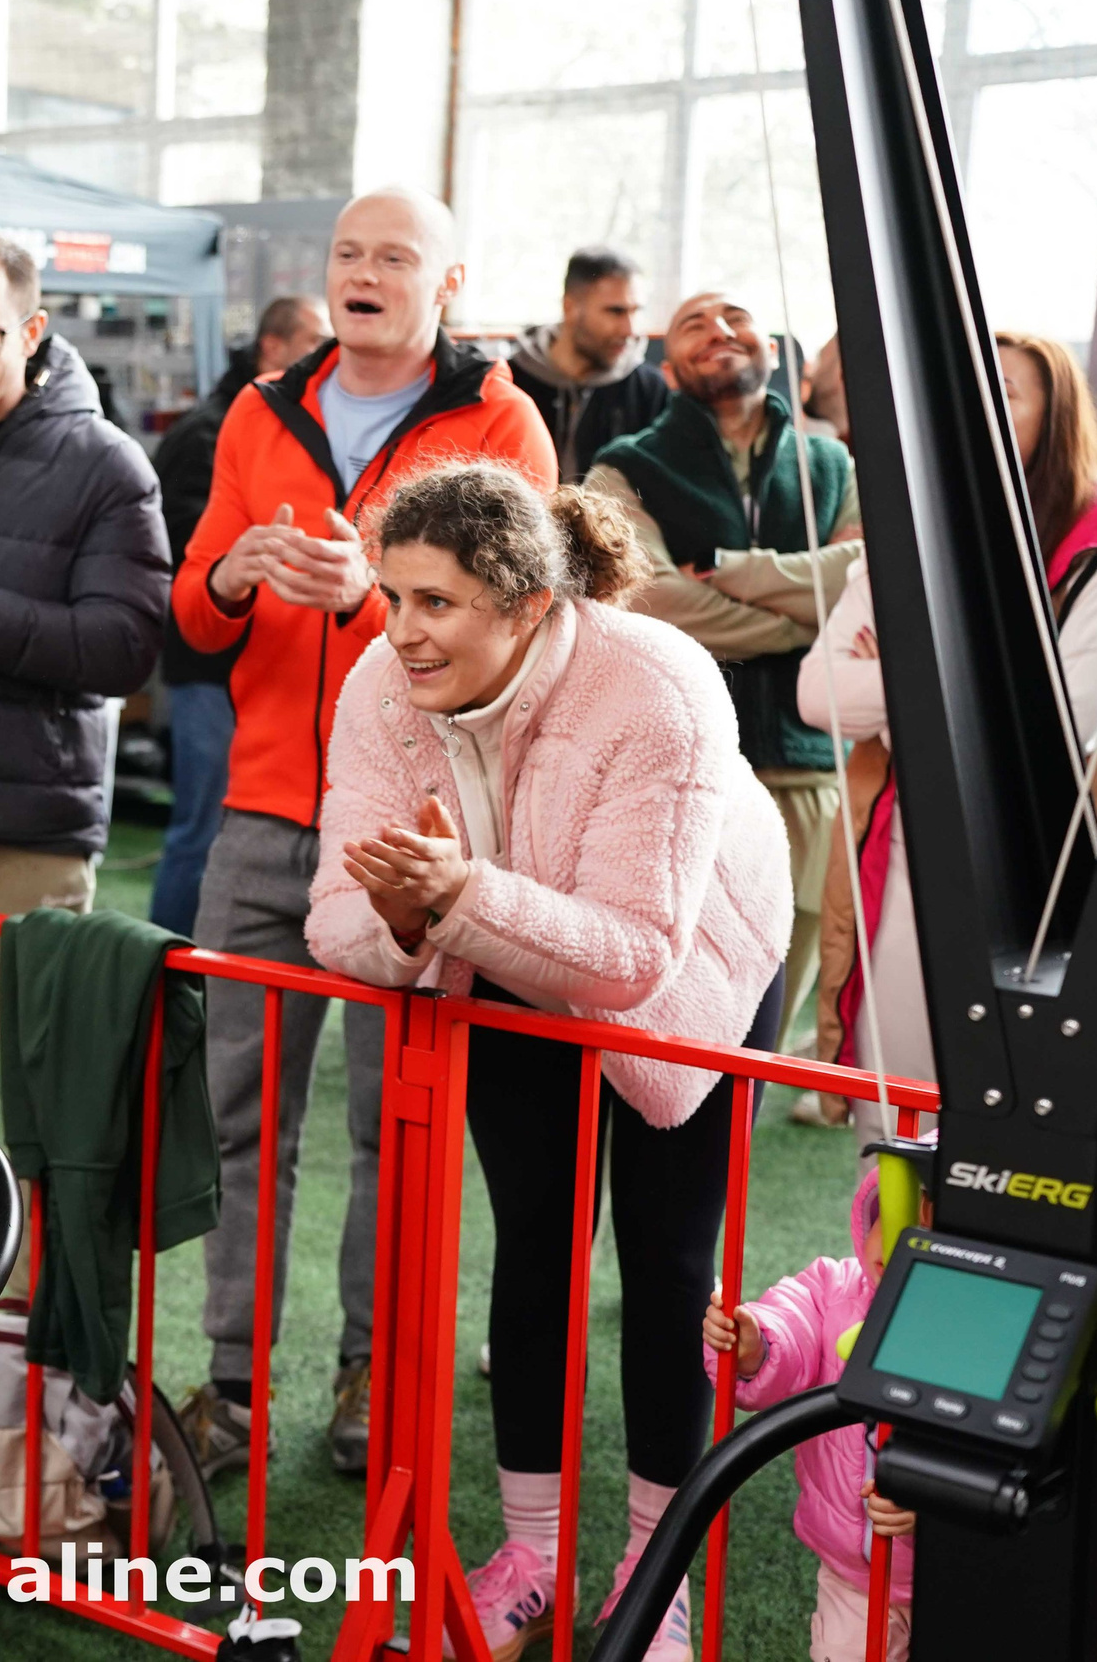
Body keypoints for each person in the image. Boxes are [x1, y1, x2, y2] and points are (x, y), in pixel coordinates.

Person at [309, 462, 790, 1661]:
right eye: (390, 595)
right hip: (503, 964)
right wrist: (419, 920)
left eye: (435, 602)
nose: (400, 631)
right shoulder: (376, 686)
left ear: (524, 603)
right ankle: (530, 1555)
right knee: (534, 1245)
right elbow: (335, 924)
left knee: (669, 1270)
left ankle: (655, 1570)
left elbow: (635, 955)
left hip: (697, 974)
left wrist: (456, 896)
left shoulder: (659, 683)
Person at [171, 188, 556, 1479]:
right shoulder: (258, 408)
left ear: (451, 281)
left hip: (418, 830)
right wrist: (232, 576)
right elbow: (194, 606)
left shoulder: (503, 421)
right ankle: (229, 1383)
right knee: (238, 1116)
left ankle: (367, 1372)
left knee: (398, 1125)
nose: (365, 272)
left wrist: (372, 599)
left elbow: (520, 630)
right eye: (349, 252)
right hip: (266, 814)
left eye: (396, 254)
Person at [0, 230, 170, 1382]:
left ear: (34, 331)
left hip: (29, 822)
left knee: (41, 1090)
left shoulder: (105, 464)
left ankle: (20, 1323)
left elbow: (127, 645)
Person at [805, 334, 1097, 1143]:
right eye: (966, 390)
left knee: (1014, 1127)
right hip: (901, 845)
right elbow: (817, 691)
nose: (981, 410)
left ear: (1057, 415)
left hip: (1043, 863)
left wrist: (902, 679)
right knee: (891, 1120)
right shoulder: (918, 517)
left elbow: (1067, 724)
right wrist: (955, 694)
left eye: (1007, 391)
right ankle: (883, 1273)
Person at [586, 291, 862, 1127]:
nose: (719, 332)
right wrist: (797, 616)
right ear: (668, 367)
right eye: (695, 324)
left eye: (734, 318)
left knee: (770, 1007)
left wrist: (737, 572)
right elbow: (649, 599)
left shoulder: (832, 466)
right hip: (677, 769)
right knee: (668, 993)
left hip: (811, 765)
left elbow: (863, 582)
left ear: (775, 351)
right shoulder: (624, 466)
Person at [146, 295, 331, 937]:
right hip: (208, 667)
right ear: (274, 348)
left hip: (263, 668)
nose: (332, 351)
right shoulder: (213, 430)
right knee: (202, 829)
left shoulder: (300, 425)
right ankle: (167, 984)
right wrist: (239, 564)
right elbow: (180, 552)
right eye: (316, 337)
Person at [701, 1167, 920, 1661]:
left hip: (960, 1570)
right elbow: (793, 1323)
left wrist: (937, 1508)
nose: (902, 1237)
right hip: (853, 1578)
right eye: (891, 1213)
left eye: (931, 1225)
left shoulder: (984, 1327)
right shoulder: (834, 1288)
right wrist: (755, 1344)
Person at [505, 246, 672, 484]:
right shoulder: (509, 381)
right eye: (616, 311)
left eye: (636, 312)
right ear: (570, 307)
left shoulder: (651, 390)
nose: (631, 330)